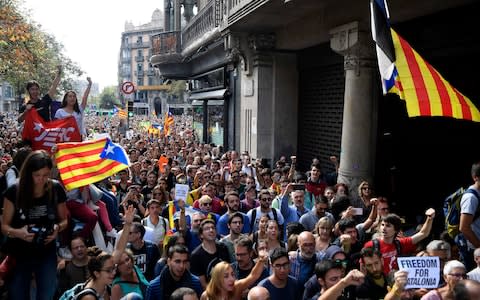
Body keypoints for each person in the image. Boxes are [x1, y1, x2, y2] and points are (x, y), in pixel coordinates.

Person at [1, 150, 68, 299]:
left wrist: (57, 228)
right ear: (28, 173)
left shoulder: (55, 188)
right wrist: (19, 233)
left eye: (45, 175)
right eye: (37, 175)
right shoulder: (14, 191)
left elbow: (64, 220)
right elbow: (4, 227)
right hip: (20, 252)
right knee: (18, 294)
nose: (41, 180)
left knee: (47, 293)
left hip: (46, 250)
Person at [363, 208, 436, 275]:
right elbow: (363, 266)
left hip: (396, 281)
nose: (384, 228)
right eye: (382, 225)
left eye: (388, 226)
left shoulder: (400, 243)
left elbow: (423, 233)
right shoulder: (371, 245)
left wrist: (429, 219)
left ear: (396, 230)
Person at [200, 254, 268, 300]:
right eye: (226, 276)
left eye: (232, 274)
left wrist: (261, 260)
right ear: (217, 278)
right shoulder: (206, 296)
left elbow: (253, 276)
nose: (232, 279)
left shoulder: (237, 287)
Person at [190, 219, 231, 288]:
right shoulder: (196, 255)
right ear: (201, 235)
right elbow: (203, 284)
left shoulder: (223, 248)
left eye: (213, 228)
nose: (211, 230)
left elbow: (229, 270)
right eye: (207, 229)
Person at [459, 162, 480, 270]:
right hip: (473, 251)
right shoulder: (470, 197)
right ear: (475, 177)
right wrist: (479, 247)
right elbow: (464, 228)